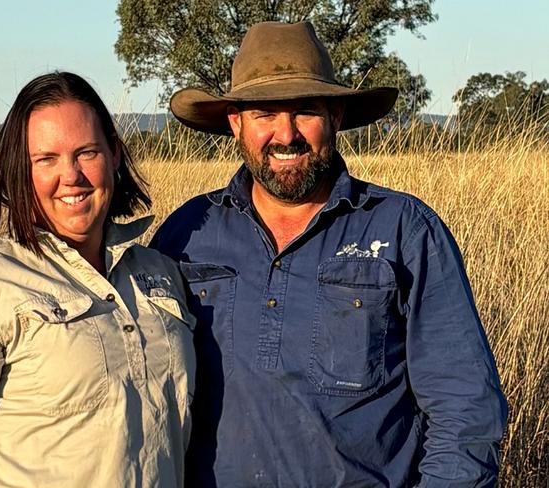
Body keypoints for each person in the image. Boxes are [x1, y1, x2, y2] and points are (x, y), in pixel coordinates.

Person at [151, 21, 507, 487]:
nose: (286, 134)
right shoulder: (185, 235)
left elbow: (465, 412)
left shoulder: (404, 230)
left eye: (305, 111)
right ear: (235, 123)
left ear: (335, 116)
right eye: (264, 113)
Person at [0, 72, 195, 487]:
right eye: (46, 159)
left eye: (86, 153)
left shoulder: (158, 273)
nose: (71, 176)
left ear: (114, 153)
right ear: (21, 171)